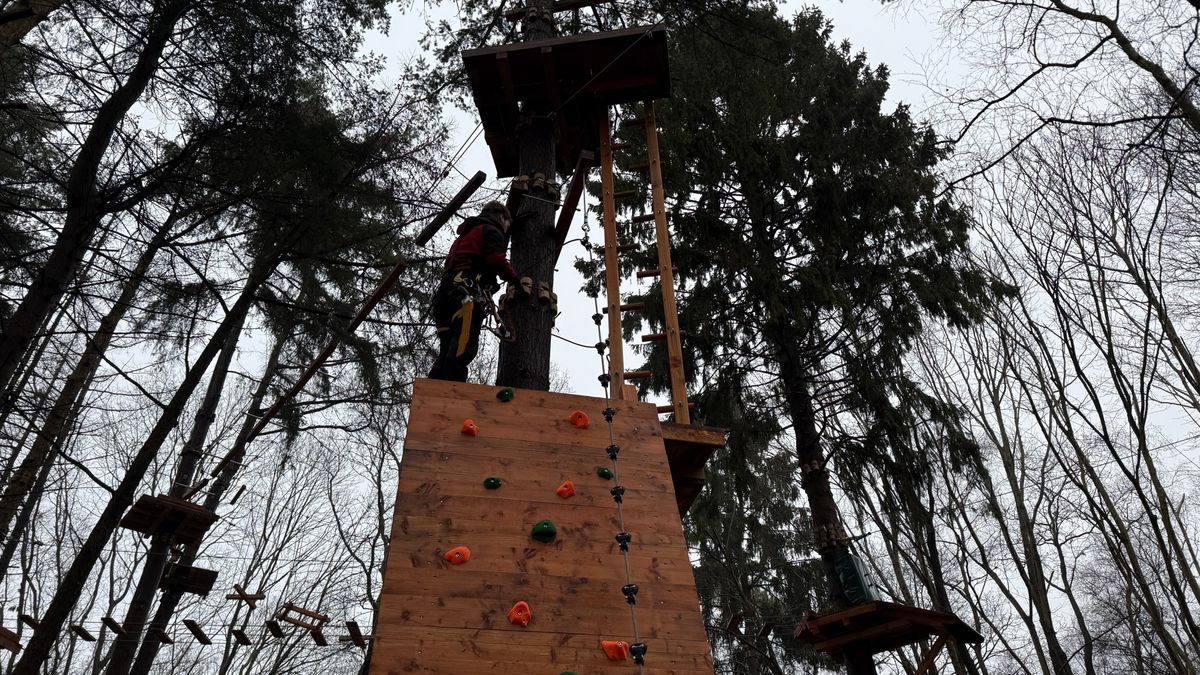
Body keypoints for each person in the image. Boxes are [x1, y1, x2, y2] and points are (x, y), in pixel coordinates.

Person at [428, 201, 520, 382]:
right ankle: (454, 393)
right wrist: (515, 280)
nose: (506, 228)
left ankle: (433, 390)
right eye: (507, 224)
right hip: (465, 296)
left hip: (446, 297)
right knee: (462, 349)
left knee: (446, 349)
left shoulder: (468, 233)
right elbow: (496, 259)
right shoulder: (491, 230)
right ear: (501, 216)